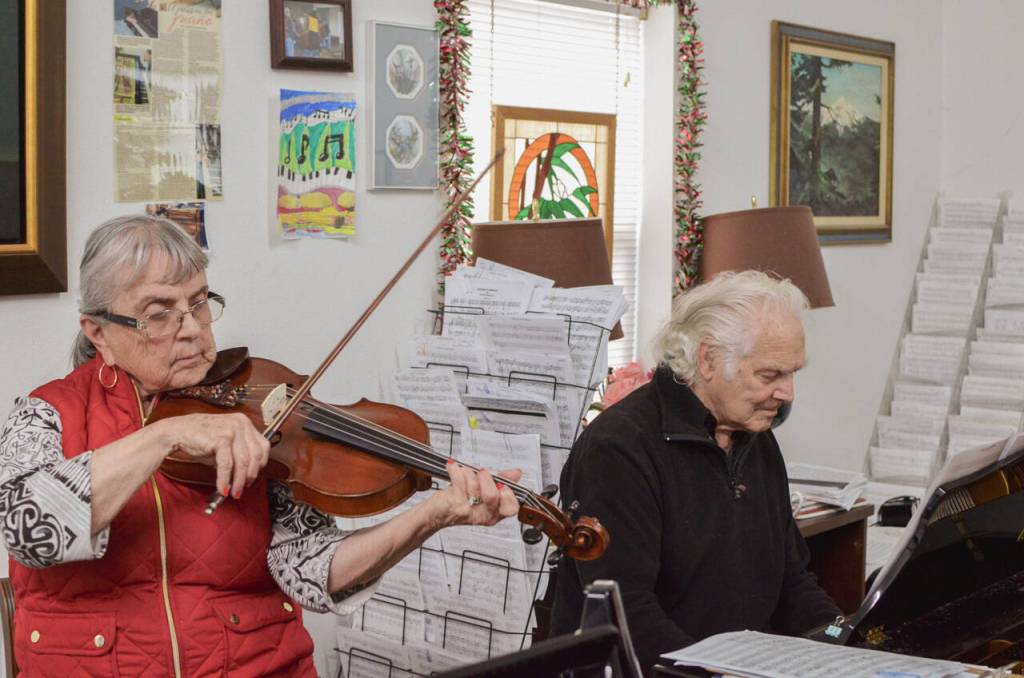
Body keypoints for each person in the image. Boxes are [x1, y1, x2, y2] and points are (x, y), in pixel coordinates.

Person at [0, 215, 520, 677]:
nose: (192, 331)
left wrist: (431, 516)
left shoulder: (251, 411)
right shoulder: (47, 414)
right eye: (160, 313)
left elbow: (311, 570)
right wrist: (165, 435)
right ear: (99, 332)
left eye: (199, 303)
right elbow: (28, 530)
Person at [549, 270, 840, 675]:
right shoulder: (618, 449)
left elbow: (792, 580)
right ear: (707, 359)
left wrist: (845, 644)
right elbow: (628, 615)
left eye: (793, 373)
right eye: (770, 375)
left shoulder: (753, 435)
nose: (787, 393)